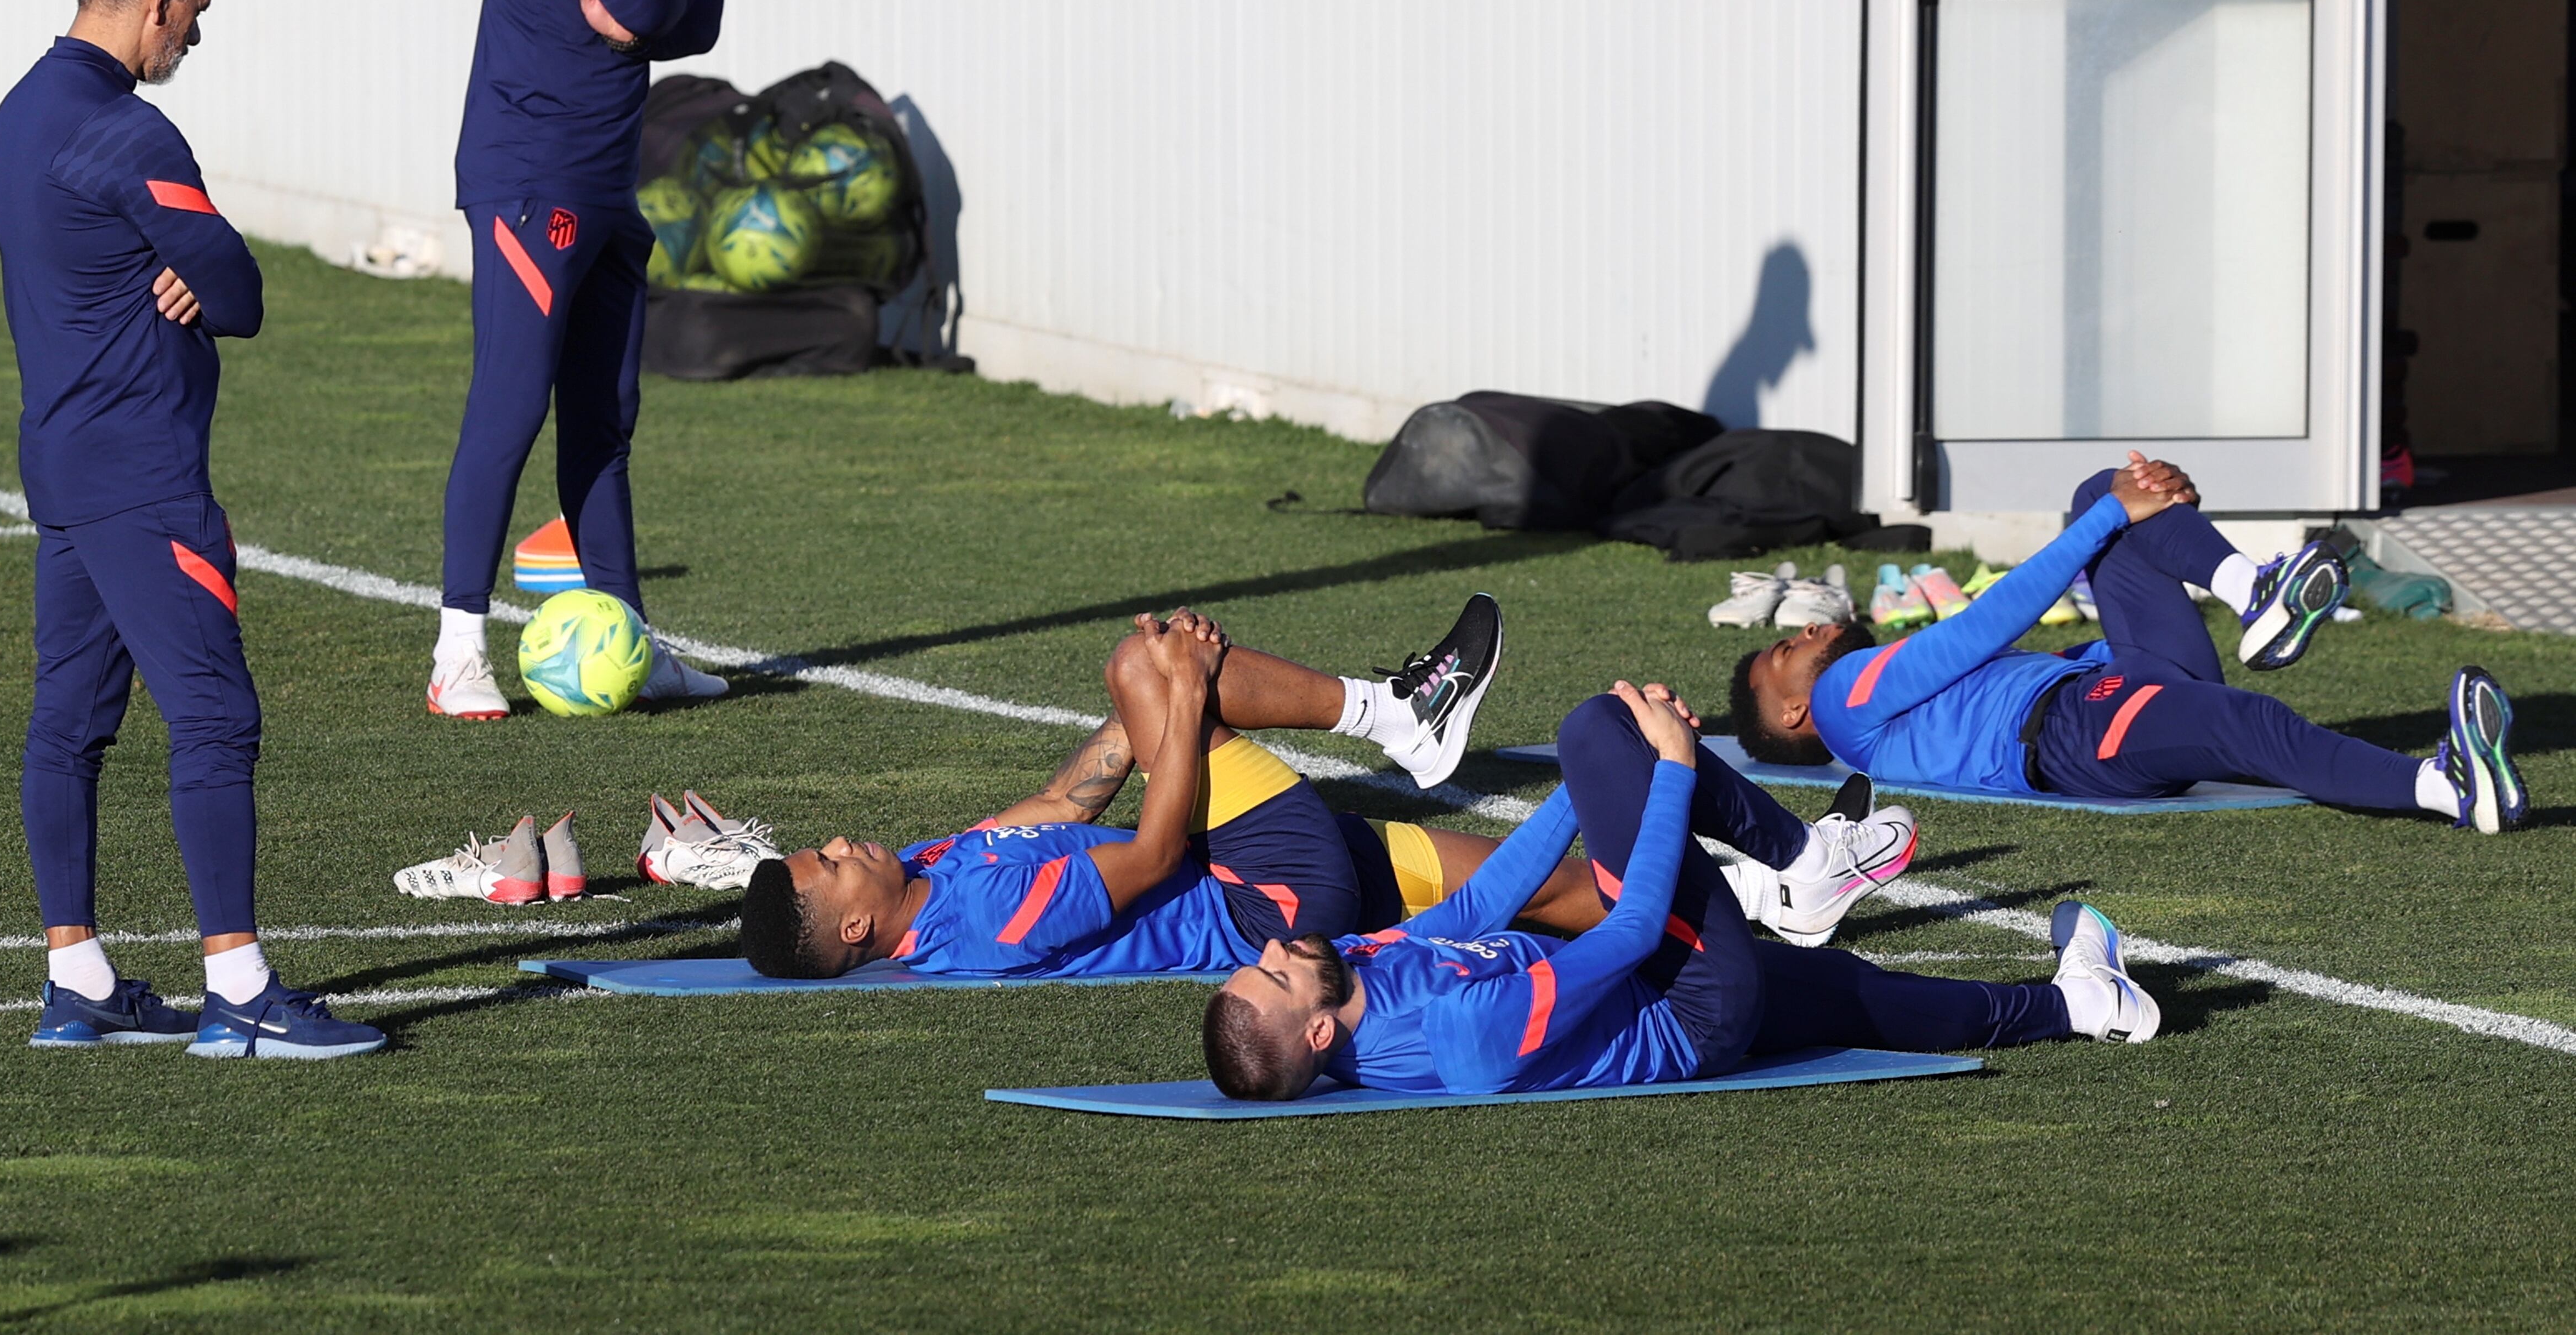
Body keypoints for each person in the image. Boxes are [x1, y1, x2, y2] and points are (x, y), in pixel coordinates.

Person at [0, 0, 382, 1058]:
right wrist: (193, 273)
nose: (196, 34)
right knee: (215, 716)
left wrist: (177, 267)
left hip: (59, 459)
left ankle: (79, 977)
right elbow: (246, 295)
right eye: (194, 10)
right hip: (142, 474)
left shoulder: (19, 111)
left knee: (70, 721)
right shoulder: (127, 130)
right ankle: (242, 991)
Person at [1202, 680, 2153, 1102]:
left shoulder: (1353, 975)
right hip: (1691, 1005)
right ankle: (1810, 861)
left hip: (1658, 981)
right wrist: (1665, 769)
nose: (1277, 948)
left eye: (1261, 962)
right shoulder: (1461, 1036)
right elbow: (1627, 932)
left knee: (1868, 996)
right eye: (1276, 976)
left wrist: (1590, 795)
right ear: (1318, 1033)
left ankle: (2078, 1004)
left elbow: (1475, 907)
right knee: (1594, 726)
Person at [429, 0, 760, 718]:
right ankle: (456, 652)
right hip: (531, 177)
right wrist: (647, 12)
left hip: (608, 178)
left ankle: (629, 635)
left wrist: (641, 23)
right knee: (513, 399)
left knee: (606, 420)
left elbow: (695, 9)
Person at [739, 598, 1613, 979]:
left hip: (1265, 860)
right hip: (1270, 892)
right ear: (856, 924)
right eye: (833, 862)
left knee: (1552, 885)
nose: (846, 842)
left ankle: (1741, 893)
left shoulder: (930, 870)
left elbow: (1060, 805)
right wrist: (1179, 691)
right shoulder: (985, 922)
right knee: (1138, 662)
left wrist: (1147, 713)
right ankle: (1400, 713)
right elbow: (1154, 855)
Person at [1728, 456, 2530, 832]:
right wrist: (2114, 517)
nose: (1800, 632)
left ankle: (2254, 590)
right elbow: (1984, 626)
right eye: (1781, 656)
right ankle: (2447, 787)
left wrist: (2142, 510)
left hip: (2102, 691)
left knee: (2101, 487)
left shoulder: (1871, 696)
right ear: (1794, 710)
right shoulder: (1841, 702)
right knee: (2244, 723)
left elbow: (2009, 654)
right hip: (2070, 733)